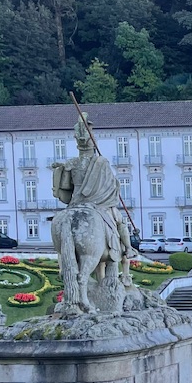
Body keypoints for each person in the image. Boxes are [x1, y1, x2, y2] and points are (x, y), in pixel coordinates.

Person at [52, 115, 134, 273]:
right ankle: (129, 249)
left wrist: (62, 169)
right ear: (93, 144)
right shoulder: (101, 163)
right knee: (120, 222)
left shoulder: (72, 163)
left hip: (75, 203)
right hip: (99, 204)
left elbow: (64, 187)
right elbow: (111, 186)